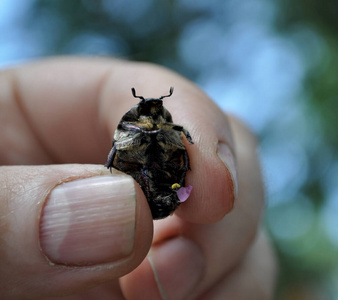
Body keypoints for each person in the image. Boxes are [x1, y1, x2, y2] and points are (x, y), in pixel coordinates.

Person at [0, 57, 277, 300]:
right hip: (139, 183)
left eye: (157, 108)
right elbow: (120, 144)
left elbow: (181, 137)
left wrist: (183, 143)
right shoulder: (128, 129)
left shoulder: (173, 127)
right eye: (148, 108)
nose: (153, 111)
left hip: (161, 189)